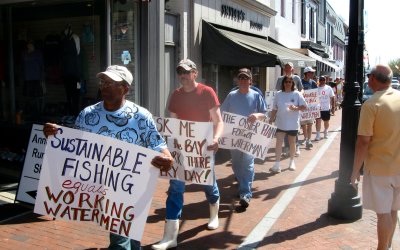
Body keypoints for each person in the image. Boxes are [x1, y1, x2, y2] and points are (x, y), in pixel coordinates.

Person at [43, 65, 174, 250]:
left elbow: (160, 147)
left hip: (129, 191)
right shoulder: (87, 114)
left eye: (111, 83)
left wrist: (167, 160)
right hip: (96, 189)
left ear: (125, 89)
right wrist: (55, 135)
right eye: (103, 82)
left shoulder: (141, 117)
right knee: (130, 239)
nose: (104, 86)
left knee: (121, 241)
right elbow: (74, 148)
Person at [152, 59, 223, 250]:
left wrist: (216, 138)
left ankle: (214, 211)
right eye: (179, 72)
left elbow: (218, 120)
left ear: (195, 73)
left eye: (186, 72)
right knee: (176, 188)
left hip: (204, 148)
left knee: (208, 183)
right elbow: (173, 123)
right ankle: (170, 236)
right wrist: (170, 147)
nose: (182, 76)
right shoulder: (175, 95)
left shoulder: (207, 92)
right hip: (181, 150)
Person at [351, 65, 400, 250]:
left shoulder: (372, 104)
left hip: (380, 168)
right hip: (398, 166)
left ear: (373, 79)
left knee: (383, 214)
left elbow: (363, 142)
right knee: (393, 210)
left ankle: (382, 248)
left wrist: (355, 171)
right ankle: (387, 246)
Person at [221, 68, 267, 208]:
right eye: (240, 78)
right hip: (234, 136)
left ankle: (245, 193)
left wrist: (257, 116)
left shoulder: (256, 95)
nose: (243, 80)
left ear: (250, 81)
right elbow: (223, 113)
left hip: (250, 135)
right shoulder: (231, 96)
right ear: (237, 80)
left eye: (245, 78)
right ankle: (243, 184)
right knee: (236, 163)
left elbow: (264, 113)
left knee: (247, 162)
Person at [269, 75, 307, 173]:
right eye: (286, 82)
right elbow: (274, 108)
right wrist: (270, 119)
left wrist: (296, 108)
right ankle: (277, 164)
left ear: (293, 83)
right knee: (278, 143)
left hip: (293, 124)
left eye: (290, 82)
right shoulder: (278, 94)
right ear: (283, 83)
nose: (288, 83)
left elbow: (304, 106)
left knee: (292, 143)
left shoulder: (297, 94)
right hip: (280, 123)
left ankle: (291, 162)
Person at [275, 62, 304, 157]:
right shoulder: (280, 79)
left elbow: (301, 89)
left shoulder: (297, 78)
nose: (288, 69)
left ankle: (296, 146)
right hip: (283, 108)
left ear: (293, 69)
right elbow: (277, 92)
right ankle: (287, 148)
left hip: (294, 107)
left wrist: (299, 96)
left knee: (293, 128)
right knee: (284, 127)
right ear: (284, 69)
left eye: (289, 68)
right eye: (286, 68)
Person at [300, 67, 318, 149]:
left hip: (311, 107)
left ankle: (308, 140)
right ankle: (305, 138)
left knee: (310, 124)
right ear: (307, 73)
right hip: (303, 107)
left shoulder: (313, 83)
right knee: (304, 125)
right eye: (311, 72)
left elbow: (316, 94)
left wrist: (317, 105)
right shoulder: (300, 82)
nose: (312, 74)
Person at [315, 76, 335, 140]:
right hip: (318, 108)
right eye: (321, 80)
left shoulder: (328, 88)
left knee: (326, 121)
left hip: (326, 108)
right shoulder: (316, 89)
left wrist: (333, 107)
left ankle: (326, 131)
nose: (322, 81)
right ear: (319, 81)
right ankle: (318, 134)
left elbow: (332, 97)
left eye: (323, 80)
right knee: (318, 121)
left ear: (325, 80)